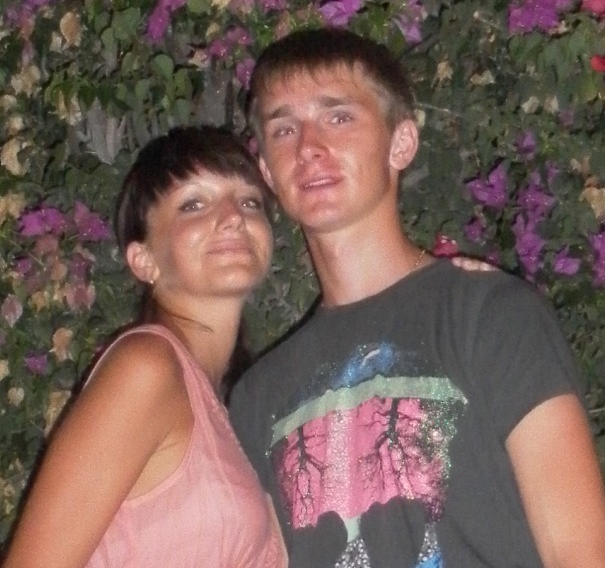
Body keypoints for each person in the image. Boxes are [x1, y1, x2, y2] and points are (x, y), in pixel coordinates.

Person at [230, 29, 605, 568]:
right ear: (267, 170)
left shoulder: (490, 315)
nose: (308, 146)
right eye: (284, 128)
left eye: (338, 117)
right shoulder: (257, 397)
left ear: (401, 143)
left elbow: (579, 551)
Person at [4, 126, 287, 568]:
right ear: (143, 260)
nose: (234, 216)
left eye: (249, 202)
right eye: (194, 204)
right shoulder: (146, 368)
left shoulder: (229, 407)